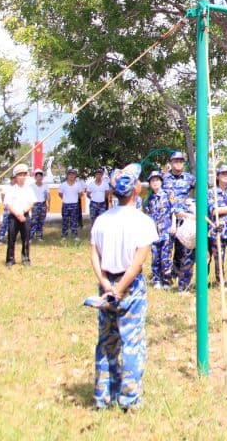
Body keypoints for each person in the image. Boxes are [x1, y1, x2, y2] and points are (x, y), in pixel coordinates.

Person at [89, 164, 158, 411]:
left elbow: (94, 255)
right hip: (130, 287)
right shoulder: (143, 222)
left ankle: (103, 397)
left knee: (107, 342)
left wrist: (106, 284)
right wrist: (120, 289)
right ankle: (129, 399)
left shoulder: (101, 220)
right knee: (132, 342)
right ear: (137, 189)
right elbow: (139, 261)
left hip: (105, 284)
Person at [163, 151, 196, 290]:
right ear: (171, 162)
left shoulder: (190, 178)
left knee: (185, 250)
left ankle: (183, 283)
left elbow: (202, 191)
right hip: (167, 218)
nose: (178, 163)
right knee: (166, 250)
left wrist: (192, 203)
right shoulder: (164, 178)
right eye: (175, 161)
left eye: (181, 161)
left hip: (184, 218)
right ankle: (166, 281)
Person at [144, 172, 173, 288]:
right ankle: (157, 280)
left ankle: (166, 280)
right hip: (154, 232)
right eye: (152, 181)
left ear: (161, 182)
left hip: (166, 230)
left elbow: (174, 211)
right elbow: (147, 213)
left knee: (165, 257)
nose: (155, 182)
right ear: (150, 184)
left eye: (157, 180)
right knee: (155, 256)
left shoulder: (168, 194)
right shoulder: (150, 198)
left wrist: (174, 225)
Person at [3, 164, 35, 267]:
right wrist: (17, 214)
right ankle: (10, 259)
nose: (22, 177)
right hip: (13, 216)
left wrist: (23, 213)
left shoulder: (29, 189)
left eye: (24, 175)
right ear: (15, 177)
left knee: (26, 238)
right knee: (11, 238)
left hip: (25, 216)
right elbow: (8, 204)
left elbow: (31, 203)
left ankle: (25, 259)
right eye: (19, 175)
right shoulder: (11, 189)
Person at [59, 167, 86, 240]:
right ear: (67, 175)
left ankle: (75, 235)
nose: (71, 176)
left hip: (74, 205)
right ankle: (64, 236)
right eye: (70, 174)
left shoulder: (78, 184)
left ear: (75, 176)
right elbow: (60, 194)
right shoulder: (63, 185)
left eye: (73, 174)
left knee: (74, 221)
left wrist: (75, 199)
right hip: (65, 205)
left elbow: (80, 194)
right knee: (65, 221)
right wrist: (66, 199)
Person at [29, 169, 50, 241]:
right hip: (35, 205)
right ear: (35, 177)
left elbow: (48, 195)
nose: (39, 178)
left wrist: (48, 205)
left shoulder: (45, 186)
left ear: (42, 177)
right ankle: (30, 237)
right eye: (37, 176)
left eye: (40, 176)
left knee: (41, 221)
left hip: (43, 204)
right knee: (33, 221)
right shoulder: (31, 186)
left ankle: (39, 236)